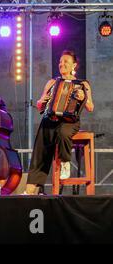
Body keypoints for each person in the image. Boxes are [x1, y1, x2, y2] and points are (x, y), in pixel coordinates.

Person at [24, 50, 94, 195]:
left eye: (65, 62)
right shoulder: (52, 83)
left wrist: (83, 97)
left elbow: (90, 107)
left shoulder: (83, 84)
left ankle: (65, 162)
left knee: (63, 132)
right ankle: (32, 187)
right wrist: (40, 102)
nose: (61, 64)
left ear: (74, 65)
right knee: (42, 140)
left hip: (70, 121)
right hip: (51, 119)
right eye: (60, 62)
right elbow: (40, 105)